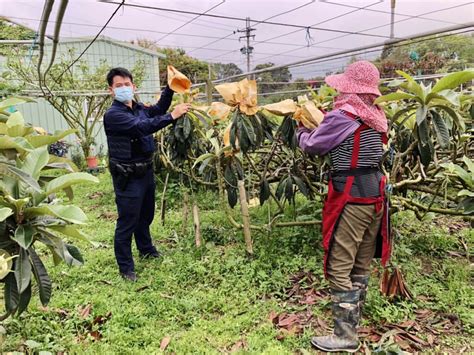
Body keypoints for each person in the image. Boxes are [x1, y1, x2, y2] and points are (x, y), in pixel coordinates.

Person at [297, 61, 391, 352]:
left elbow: (313, 145)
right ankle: (354, 321)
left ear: (348, 88)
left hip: (351, 199)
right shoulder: (376, 116)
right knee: (360, 262)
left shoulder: (341, 116)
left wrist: (300, 131)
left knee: (338, 264)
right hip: (375, 198)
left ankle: (345, 336)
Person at [104, 67, 190, 282]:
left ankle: (147, 250)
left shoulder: (138, 107)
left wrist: (169, 89)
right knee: (127, 221)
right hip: (127, 175)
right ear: (111, 90)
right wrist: (173, 116)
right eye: (118, 85)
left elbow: (157, 109)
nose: (124, 88)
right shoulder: (114, 115)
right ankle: (126, 268)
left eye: (127, 84)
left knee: (145, 215)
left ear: (134, 87)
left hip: (145, 171)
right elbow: (143, 127)